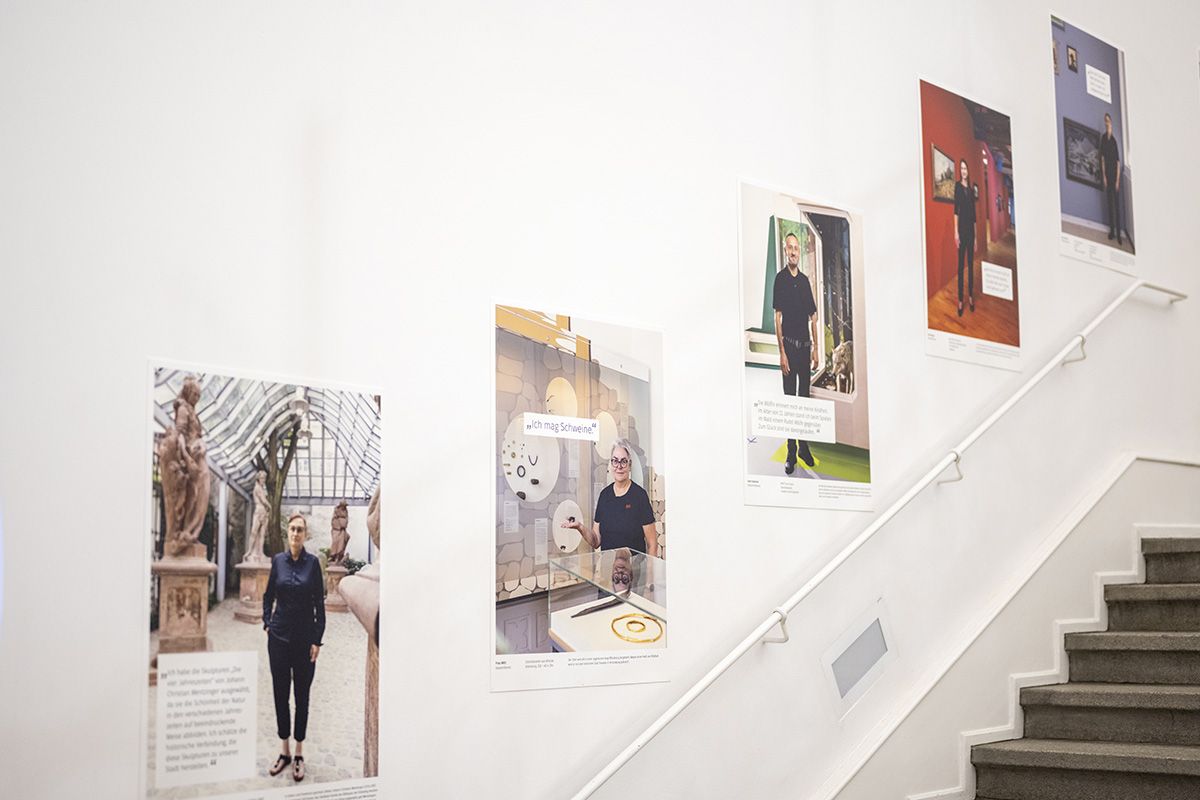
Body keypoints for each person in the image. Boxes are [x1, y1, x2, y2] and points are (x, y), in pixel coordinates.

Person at [262, 512, 325, 782]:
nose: (296, 533)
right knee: (280, 695)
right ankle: (284, 750)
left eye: (300, 529)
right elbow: (267, 597)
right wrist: (267, 623)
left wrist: (316, 640)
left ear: (305, 534)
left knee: (302, 698)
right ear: (287, 533)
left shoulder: (313, 564)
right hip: (278, 640)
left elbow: (319, 606)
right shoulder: (278, 561)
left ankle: (299, 753)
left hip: (303, 644)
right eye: (292, 529)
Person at [561, 439, 658, 557]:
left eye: (623, 461)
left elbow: (652, 544)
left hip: (634, 571)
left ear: (630, 465)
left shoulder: (639, 496)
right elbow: (596, 541)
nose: (619, 466)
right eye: (615, 461)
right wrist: (580, 527)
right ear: (611, 464)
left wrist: (650, 574)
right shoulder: (604, 496)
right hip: (608, 571)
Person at [774, 232, 819, 473]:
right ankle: (791, 451)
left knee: (805, 402)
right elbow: (777, 318)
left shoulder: (804, 282)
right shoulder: (780, 280)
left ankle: (804, 447)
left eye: (796, 248)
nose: (793, 251)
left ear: (799, 252)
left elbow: (813, 316)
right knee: (791, 402)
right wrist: (782, 353)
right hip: (789, 349)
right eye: (790, 247)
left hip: (805, 349)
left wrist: (816, 350)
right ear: (785, 251)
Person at [953, 159, 976, 317]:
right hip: (961, 231)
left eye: (965, 168)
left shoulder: (972, 189)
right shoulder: (957, 187)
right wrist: (955, 232)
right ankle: (961, 300)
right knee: (961, 267)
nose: (963, 171)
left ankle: (971, 297)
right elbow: (956, 210)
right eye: (961, 169)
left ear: (968, 170)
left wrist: (975, 238)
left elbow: (974, 215)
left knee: (971, 267)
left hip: (971, 233)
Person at [1100, 113, 1123, 245]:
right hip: (1107, 176)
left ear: (1111, 123)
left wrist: (1117, 181)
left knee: (1116, 206)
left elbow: (1118, 163)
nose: (1106, 123)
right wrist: (1104, 176)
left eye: (1108, 121)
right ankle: (1112, 231)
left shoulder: (1114, 141)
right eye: (1105, 121)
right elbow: (1103, 159)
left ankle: (1119, 234)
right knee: (1109, 204)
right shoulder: (1104, 139)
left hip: (1115, 177)